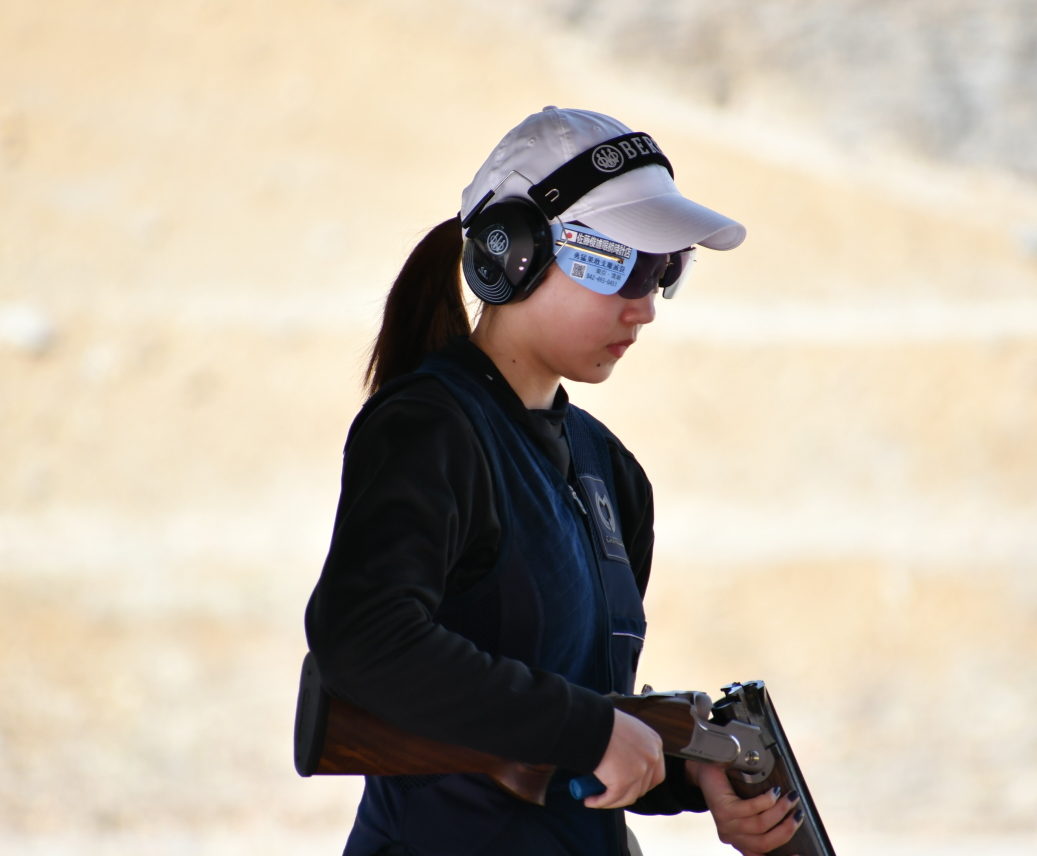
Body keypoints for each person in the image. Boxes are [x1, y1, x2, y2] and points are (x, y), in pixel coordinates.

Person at [305, 107, 804, 856]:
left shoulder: (613, 473)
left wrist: (690, 772)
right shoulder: (428, 429)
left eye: (666, 271)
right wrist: (591, 730)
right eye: (623, 265)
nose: (645, 306)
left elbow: (566, 725)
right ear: (515, 253)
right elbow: (363, 638)